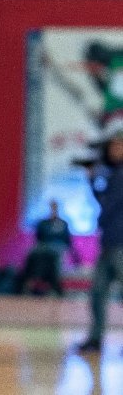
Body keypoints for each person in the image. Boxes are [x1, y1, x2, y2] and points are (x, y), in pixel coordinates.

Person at [77, 119, 123, 353]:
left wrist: (101, 219)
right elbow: (105, 202)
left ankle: (95, 339)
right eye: (112, 145)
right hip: (110, 243)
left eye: (118, 145)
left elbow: (108, 206)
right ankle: (95, 339)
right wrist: (92, 180)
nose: (114, 150)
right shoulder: (114, 174)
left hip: (119, 244)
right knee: (97, 293)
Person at [17, 199, 74, 296]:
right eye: (52, 207)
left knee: (54, 256)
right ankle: (27, 282)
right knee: (32, 253)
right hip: (43, 247)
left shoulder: (63, 224)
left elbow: (67, 241)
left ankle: (55, 285)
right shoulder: (43, 223)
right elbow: (39, 237)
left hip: (57, 248)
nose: (53, 210)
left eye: (55, 208)